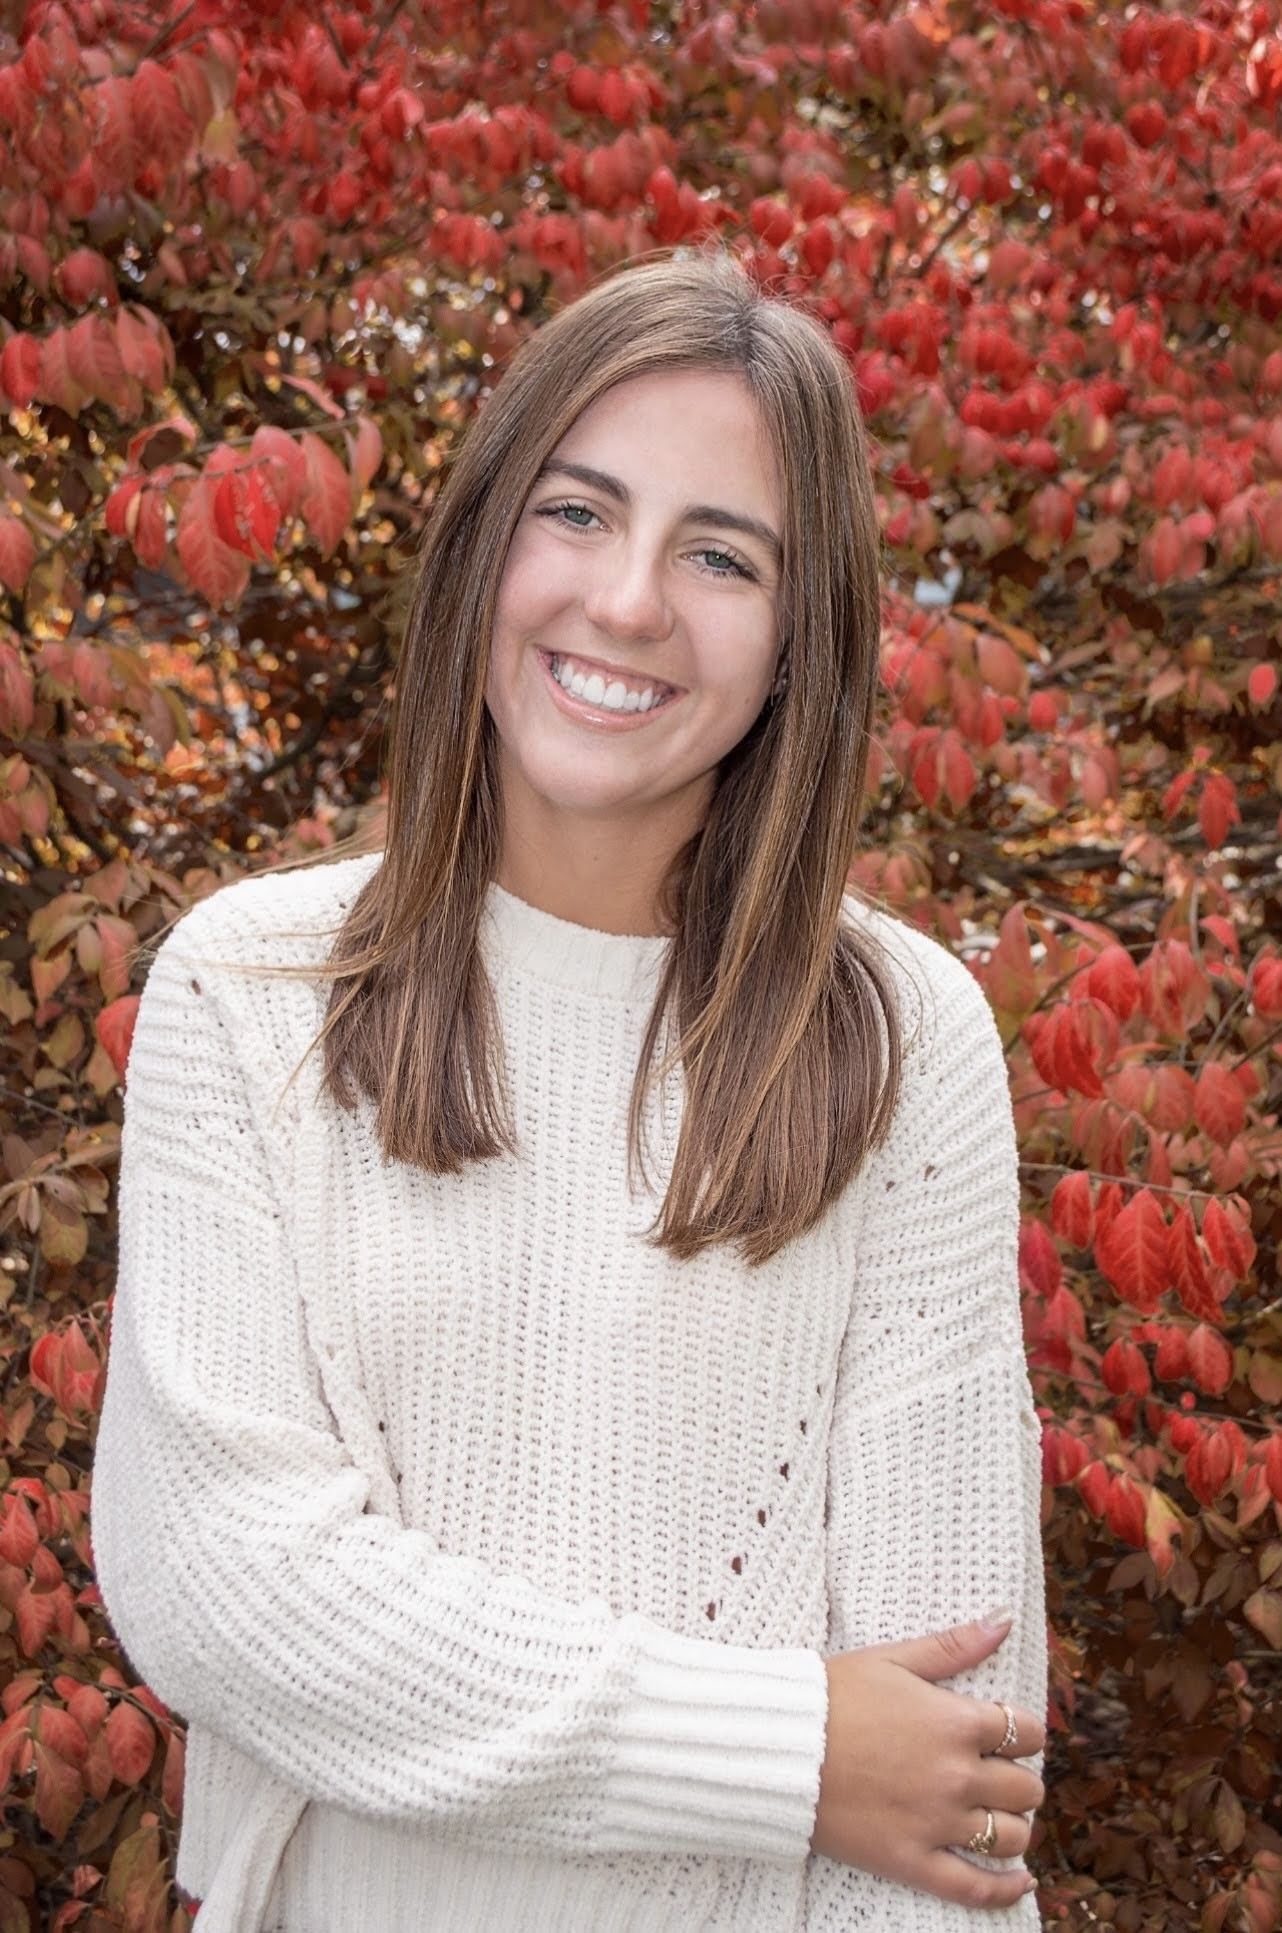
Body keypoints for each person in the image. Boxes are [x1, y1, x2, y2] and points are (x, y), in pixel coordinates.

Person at [91, 245, 1049, 1931]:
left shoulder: (903, 1038)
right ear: (482, 546)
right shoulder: (247, 991)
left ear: (794, 637)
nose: (625, 605)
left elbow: (947, 1764)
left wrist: (859, 1767)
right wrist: (786, 1749)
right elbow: (227, 1587)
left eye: (721, 555)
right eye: (580, 513)